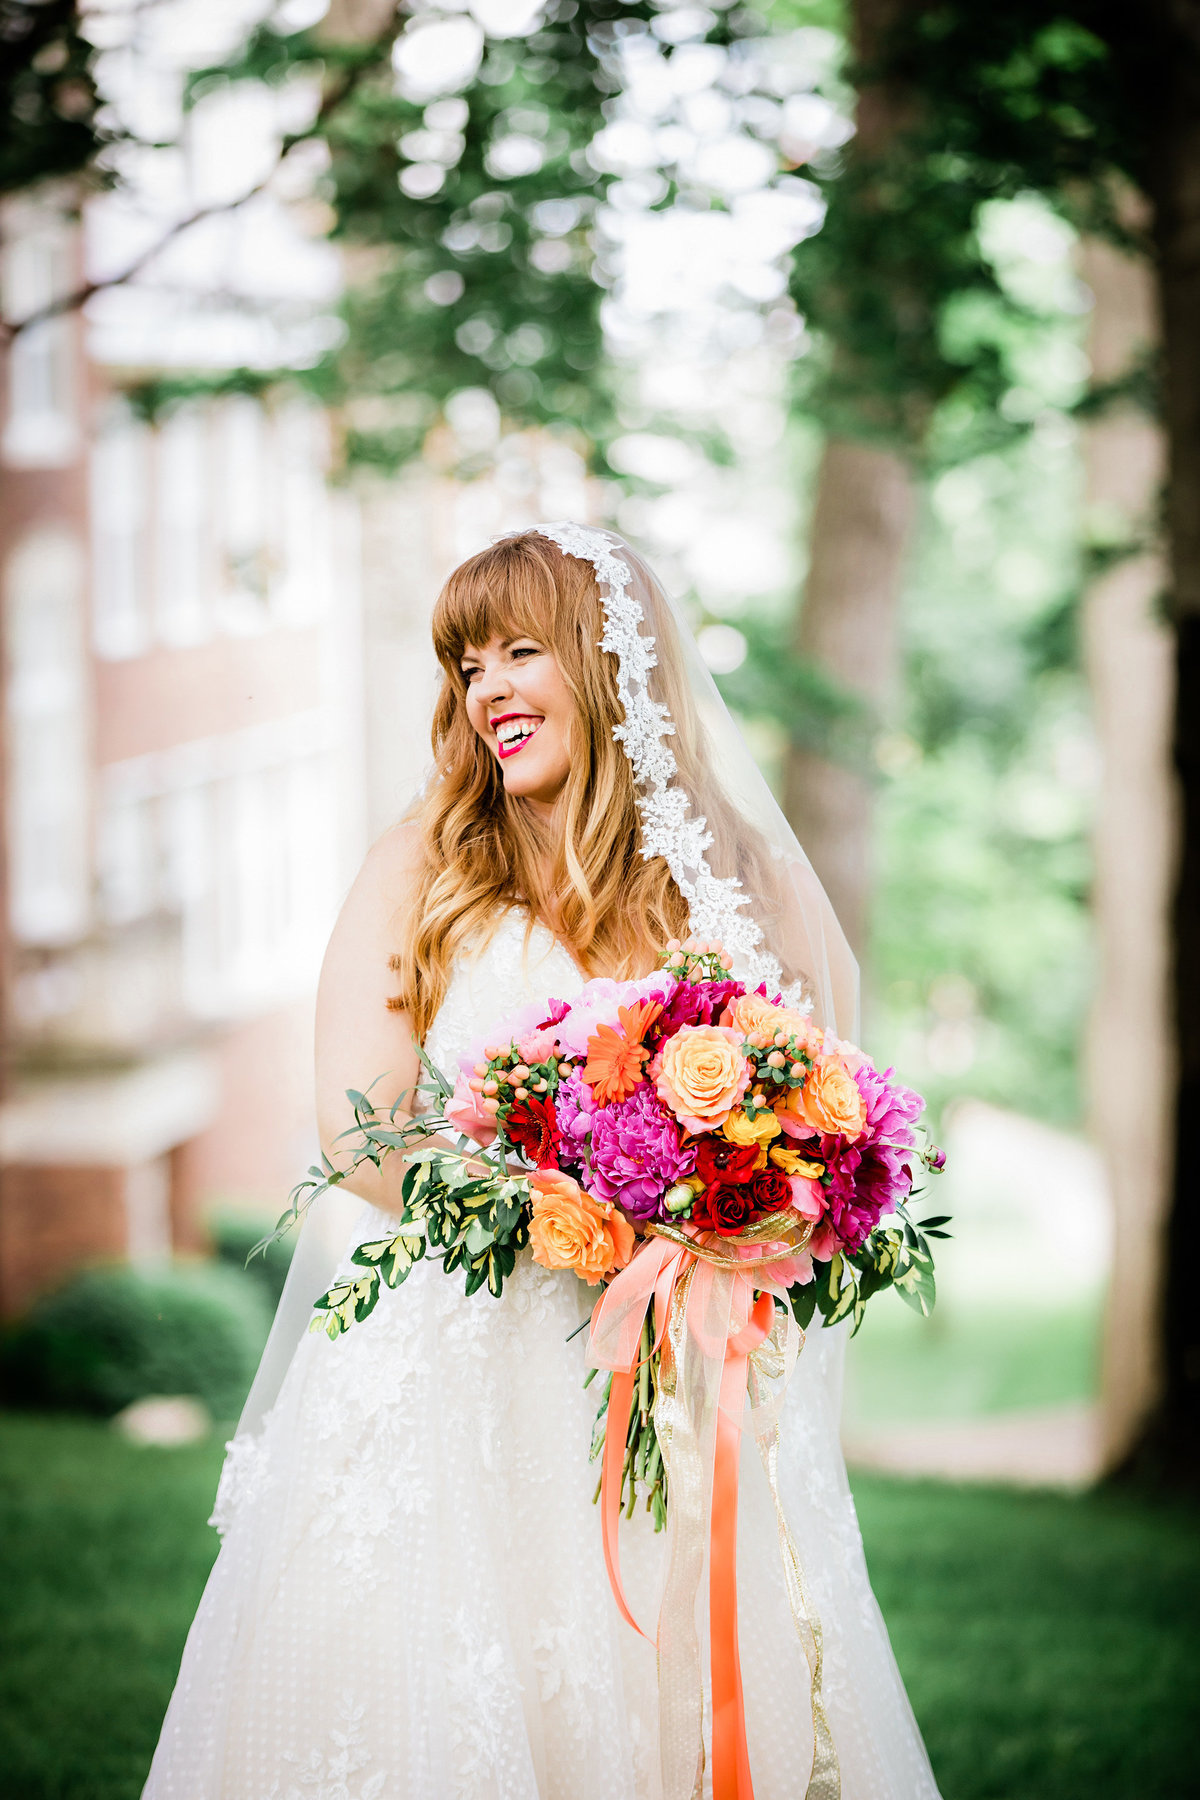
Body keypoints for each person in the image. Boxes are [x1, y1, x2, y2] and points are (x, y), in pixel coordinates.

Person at [143, 525, 940, 1800]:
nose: (487, 689)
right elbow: (360, 1128)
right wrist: (564, 1212)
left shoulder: (751, 881)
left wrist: (726, 1209)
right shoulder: (427, 863)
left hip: (675, 1385)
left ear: (614, 666)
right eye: (466, 663)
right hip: (455, 1377)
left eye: (522, 650)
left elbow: (826, 1126)